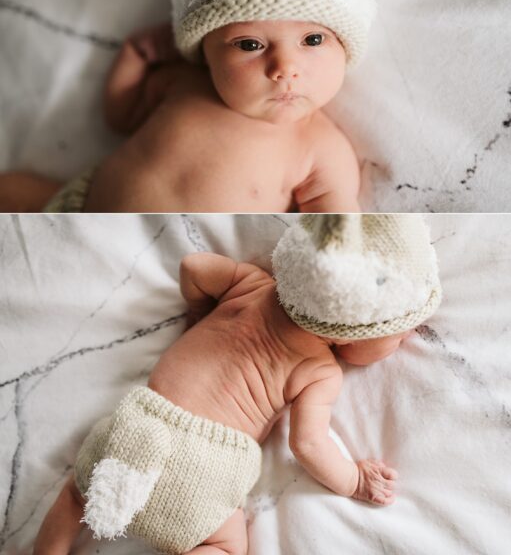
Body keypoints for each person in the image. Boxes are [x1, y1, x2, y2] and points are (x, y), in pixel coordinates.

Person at [31, 214, 442, 555]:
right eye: (399, 334)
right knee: (225, 547)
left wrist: (198, 312)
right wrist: (353, 479)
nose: (407, 339)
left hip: (133, 432)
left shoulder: (249, 286)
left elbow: (193, 267)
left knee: (75, 497)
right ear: (349, 334)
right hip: (205, 471)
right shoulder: (318, 370)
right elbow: (309, 445)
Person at [0, 0, 378, 213]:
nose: (284, 68)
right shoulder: (185, 82)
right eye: (249, 45)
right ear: (206, 52)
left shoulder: (321, 147)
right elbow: (119, 118)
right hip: (78, 210)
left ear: (345, 45)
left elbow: (334, 229)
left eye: (312, 39)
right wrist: (137, 57)